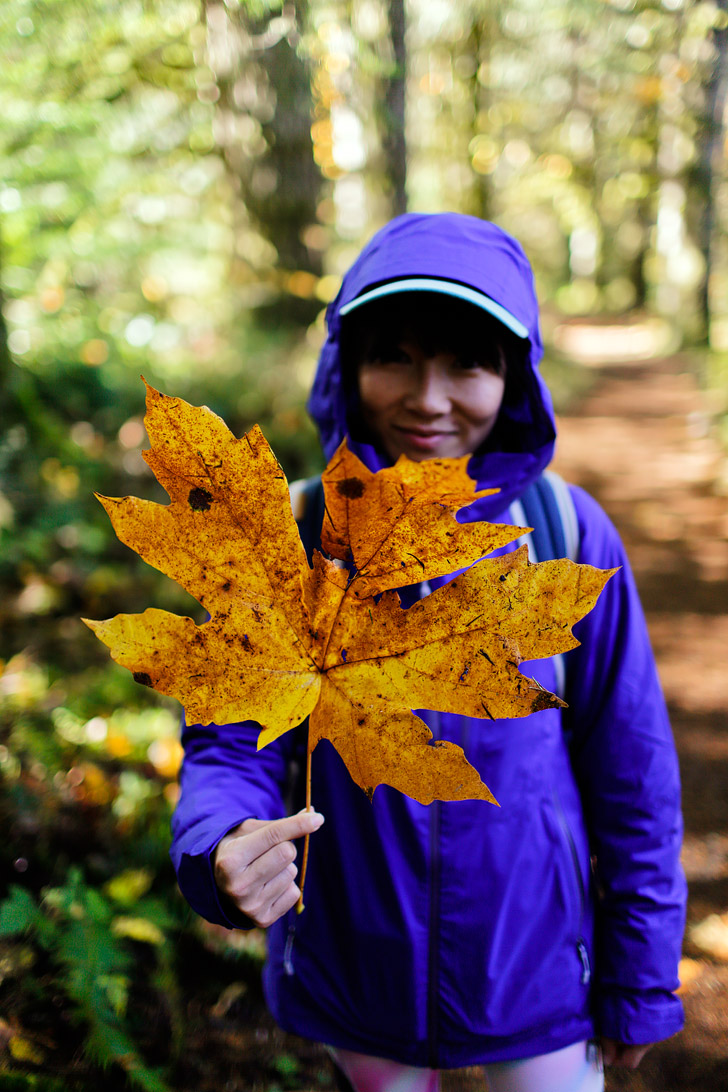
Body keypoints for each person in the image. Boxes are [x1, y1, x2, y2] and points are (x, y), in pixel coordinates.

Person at [170, 213, 686, 1092]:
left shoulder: (561, 537)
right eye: (396, 358)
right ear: (350, 367)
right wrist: (220, 838)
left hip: (537, 968)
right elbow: (230, 744)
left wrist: (640, 972)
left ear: (513, 378)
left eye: (467, 364)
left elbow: (632, 770)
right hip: (356, 969)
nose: (430, 397)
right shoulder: (293, 540)